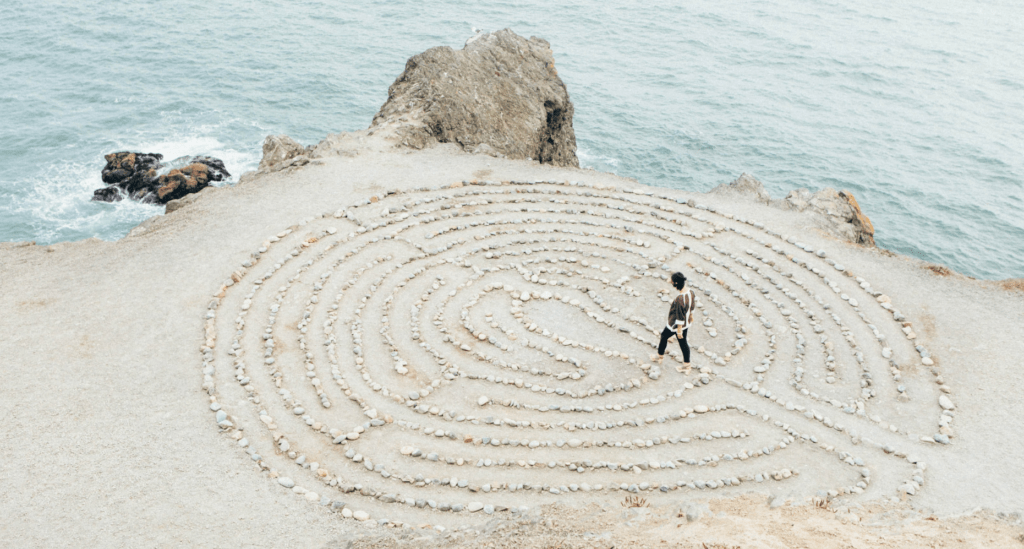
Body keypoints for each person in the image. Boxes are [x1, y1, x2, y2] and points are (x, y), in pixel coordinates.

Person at [652, 272, 694, 374]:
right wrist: (691, 315)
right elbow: (692, 305)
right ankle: (686, 365)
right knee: (683, 344)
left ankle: (660, 356)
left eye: (672, 282)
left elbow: (679, 314)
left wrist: (679, 330)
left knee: (665, 336)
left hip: (675, 325)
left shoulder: (680, 299)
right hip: (686, 323)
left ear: (676, 283)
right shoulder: (691, 292)